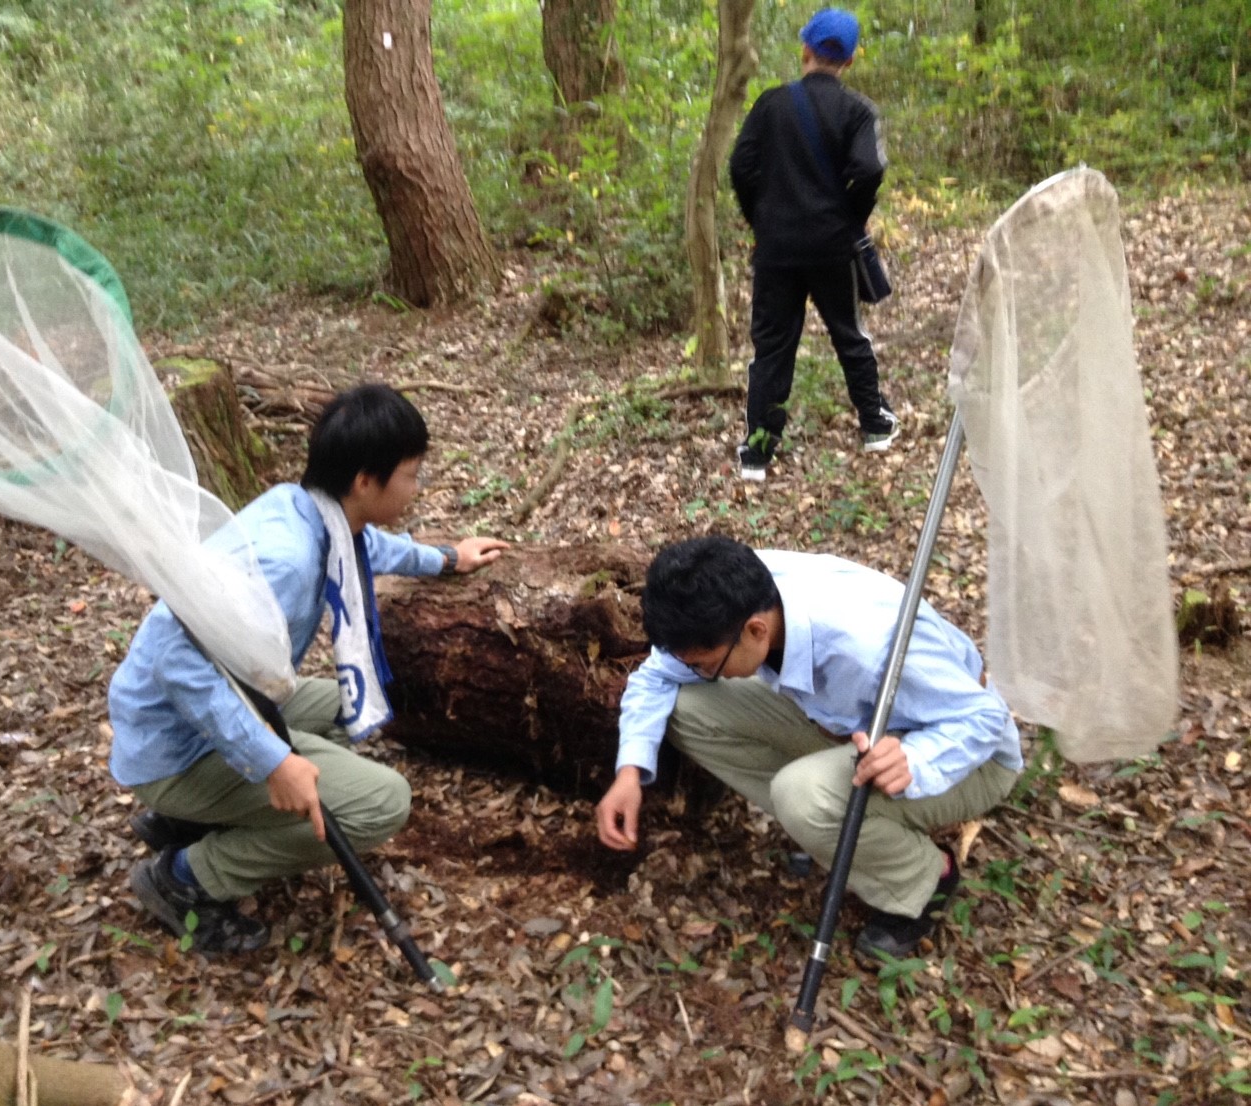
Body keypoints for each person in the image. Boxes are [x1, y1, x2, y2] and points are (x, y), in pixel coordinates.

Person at [109, 383, 509, 953]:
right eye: (412, 474)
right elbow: (177, 657)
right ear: (366, 481)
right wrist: (273, 761)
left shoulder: (303, 507)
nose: (418, 487)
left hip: (224, 707)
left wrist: (445, 557)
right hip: (177, 748)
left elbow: (362, 548)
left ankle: (196, 819)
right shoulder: (287, 559)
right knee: (382, 803)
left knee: (356, 703)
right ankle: (185, 878)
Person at [594, 536, 1021, 960]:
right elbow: (657, 677)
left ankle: (924, 881)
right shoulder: (735, 593)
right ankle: (826, 820)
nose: (699, 671)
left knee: (802, 796)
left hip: (971, 757)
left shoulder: (869, 648)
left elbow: (983, 718)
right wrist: (630, 772)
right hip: (844, 727)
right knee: (687, 708)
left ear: (755, 631)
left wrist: (917, 757)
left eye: (705, 665)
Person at [729, 7, 894, 483]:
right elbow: (869, 170)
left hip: (776, 247)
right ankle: (874, 426)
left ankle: (757, 455)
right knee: (848, 333)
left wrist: (760, 218)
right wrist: (850, 216)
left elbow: (741, 167)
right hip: (830, 245)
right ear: (849, 60)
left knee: (773, 347)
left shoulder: (770, 104)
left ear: (805, 49)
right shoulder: (859, 111)